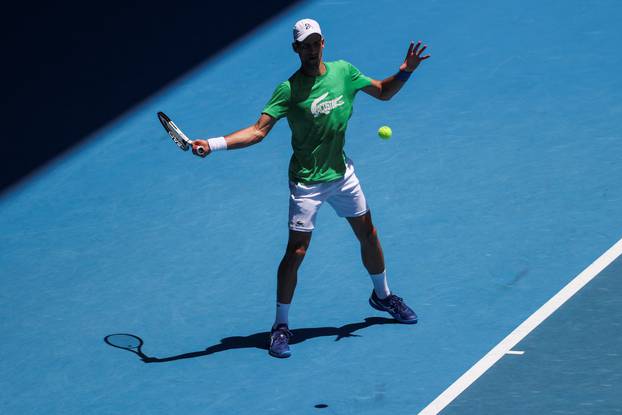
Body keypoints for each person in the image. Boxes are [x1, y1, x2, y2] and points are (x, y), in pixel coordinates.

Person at [191, 18, 430, 358]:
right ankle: (280, 326)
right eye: (304, 44)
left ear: (323, 43)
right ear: (296, 49)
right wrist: (213, 144)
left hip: (342, 175)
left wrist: (405, 70)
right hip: (306, 183)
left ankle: (383, 296)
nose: (310, 48)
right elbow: (258, 131)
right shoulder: (288, 90)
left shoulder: (344, 72)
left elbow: (383, 92)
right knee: (297, 252)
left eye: (315, 42)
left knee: (369, 233)